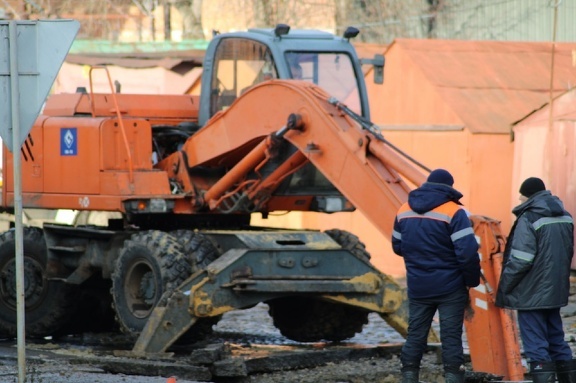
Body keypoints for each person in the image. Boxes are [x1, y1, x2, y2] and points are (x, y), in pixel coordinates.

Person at [392, 168, 480, 383]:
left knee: (415, 334)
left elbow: (397, 246)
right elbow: (467, 252)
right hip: (450, 287)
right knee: (450, 336)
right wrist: (471, 281)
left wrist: (419, 259)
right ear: (449, 188)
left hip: (418, 285)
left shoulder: (403, 210)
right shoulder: (454, 211)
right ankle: (452, 377)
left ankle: (409, 376)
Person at [495, 177, 575, 383]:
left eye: (521, 196)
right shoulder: (565, 216)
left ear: (527, 196)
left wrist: (505, 286)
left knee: (535, 343)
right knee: (557, 339)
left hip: (531, 292)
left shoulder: (528, 218)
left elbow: (521, 259)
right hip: (556, 289)